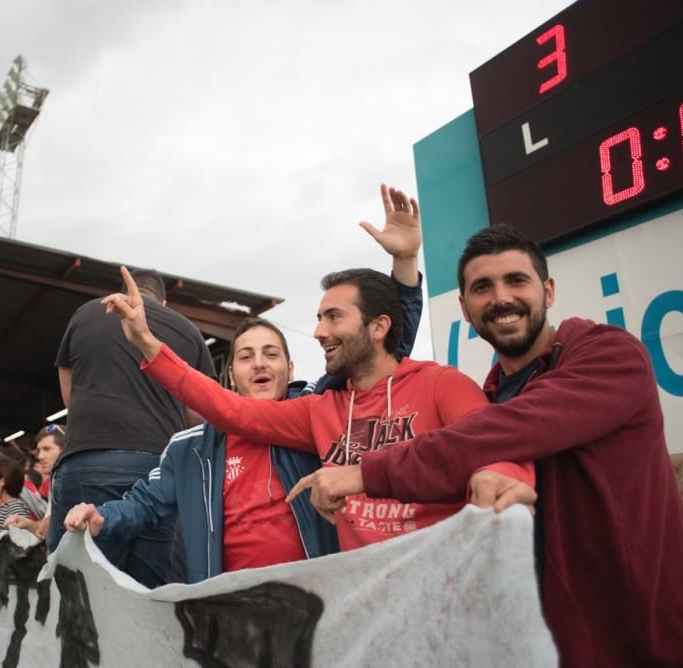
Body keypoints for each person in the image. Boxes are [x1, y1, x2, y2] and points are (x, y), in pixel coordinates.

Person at [294, 224, 683, 666]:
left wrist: (361, 472)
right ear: (464, 307)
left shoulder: (609, 356)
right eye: (482, 287)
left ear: (549, 291)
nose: (500, 298)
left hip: (634, 642)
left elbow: (502, 431)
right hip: (531, 643)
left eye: (516, 280)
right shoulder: (492, 393)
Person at [100, 186, 532, 552]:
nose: (318, 331)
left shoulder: (442, 385)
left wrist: (502, 478)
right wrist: (148, 344)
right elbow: (227, 410)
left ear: (379, 326)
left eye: (333, 317)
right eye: (319, 317)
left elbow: (496, 448)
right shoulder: (318, 411)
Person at [65, 317, 339, 583]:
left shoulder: (317, 418)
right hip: (231, 608)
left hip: (316, 600)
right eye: (246, 357)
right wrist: (103, 516)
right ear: (230, 375)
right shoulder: (189, 447)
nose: (259, 364)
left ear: (290, 369)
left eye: (271, 354)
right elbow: (146, 504)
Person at [49, 267, 218, 588]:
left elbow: (70, 396)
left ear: (123, 292)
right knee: (146, 592)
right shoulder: (188, 330)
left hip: (88, 459)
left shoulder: (85, 315)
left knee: (78, 590)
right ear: (163, 302)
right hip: (158, 469)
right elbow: (201, 412)